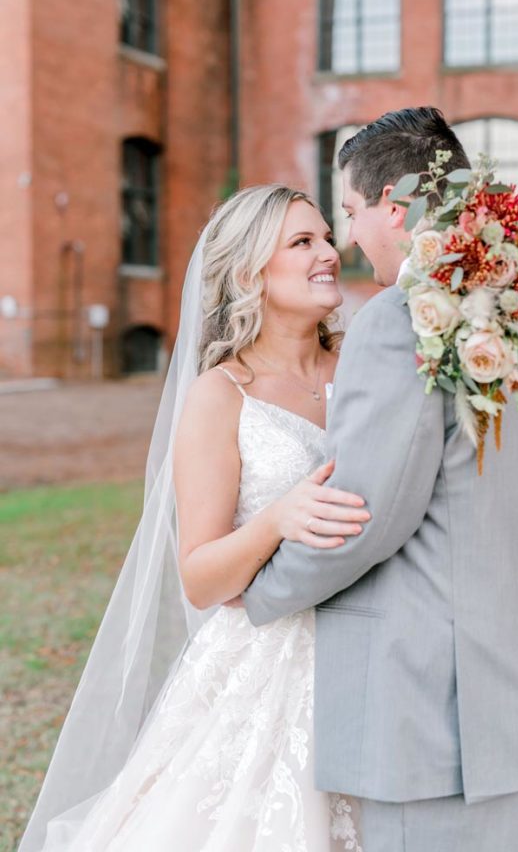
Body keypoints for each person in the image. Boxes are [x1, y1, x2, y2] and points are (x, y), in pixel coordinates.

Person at [242, 108, 518, 852]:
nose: (349, 238)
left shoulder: (398, 319)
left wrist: (255, 595)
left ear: (394, 206)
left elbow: (365, 514)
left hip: (433, 715)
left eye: (351, 213)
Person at [18, 184, 368, 851]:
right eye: (302, 242)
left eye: (327, 236)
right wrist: (277, 519)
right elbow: (202, 578)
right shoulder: (221, 395)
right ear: (249, 273)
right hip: (270, 661)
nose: (329, 252)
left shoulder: (366, 364)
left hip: (376, 638)